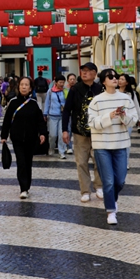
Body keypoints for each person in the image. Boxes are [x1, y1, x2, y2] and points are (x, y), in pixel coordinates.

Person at [88, 69, 138, 225]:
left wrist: (123, 116)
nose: (115, 79)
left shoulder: (126, 99)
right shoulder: (96, 101)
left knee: (120, 181)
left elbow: (134, 120)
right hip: (102, 146)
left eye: (116, 76)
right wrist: (109, 116)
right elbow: (92, 123)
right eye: (111, 77)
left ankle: (112, 199)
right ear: (103, 81)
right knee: (108, 181)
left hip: (121, 144)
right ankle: (111, 210)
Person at [62, 62, 104, 202]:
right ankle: (85, 190)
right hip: (80, 132)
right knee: (81, 162)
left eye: (87, 70)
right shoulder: (75, 89)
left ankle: (99, 186)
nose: (84, 73)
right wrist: (65, 130)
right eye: (83, 70)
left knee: (99, 160)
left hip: (98, 131)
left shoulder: (101, 89)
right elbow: (67, 110)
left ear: (94, 73)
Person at [1, 77, 47, 199]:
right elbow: (7, 120)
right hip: (17, 138)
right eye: (22, 84)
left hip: (31, 139)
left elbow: (39, 121)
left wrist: (42, 133)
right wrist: (3, 136)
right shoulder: (13, 102)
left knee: (28, 163)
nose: (24, 87)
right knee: (21, 162)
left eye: (26, 85)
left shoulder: (33, 104)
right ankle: (23, 188)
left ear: (30, 88)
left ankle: (27, 185)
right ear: (18, 87)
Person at [118, 73, 140, 170]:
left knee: (126, 142)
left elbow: (136, 106)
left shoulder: (130, 93)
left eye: (122, 79)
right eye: (119, 79)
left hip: (127, 121)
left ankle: (126, 162)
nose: (120, 81)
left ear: (127, 82)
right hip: (116, 121)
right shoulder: (114, 92)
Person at [43, 75, 68, 159]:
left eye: (63, 82)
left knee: (61, 135)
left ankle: (61, 151)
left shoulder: (65, 91)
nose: (62, 84)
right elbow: (47, 103)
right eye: (60, 82)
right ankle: (51, 148)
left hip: (62, 116)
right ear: (56, 82)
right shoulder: (50, 91)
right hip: (52, 116)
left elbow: (68, 102)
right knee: (53, 135)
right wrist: (45, 114)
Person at [64, 73, 78, 154]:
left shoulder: (77, 89)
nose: (72, 81)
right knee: (68, 130)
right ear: (68, 80)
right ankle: (68, 146)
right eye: (71, 79)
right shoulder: (64, 89)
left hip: (75, 113)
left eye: (74, 79)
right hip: (67, 112)